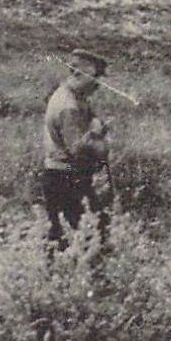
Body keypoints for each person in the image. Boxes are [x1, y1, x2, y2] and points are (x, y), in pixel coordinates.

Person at [41, 49, 112, 250]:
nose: (99, 85)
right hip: (66, 179)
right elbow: (78, 149)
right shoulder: (69, 106)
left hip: (66, 176)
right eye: (96, 78)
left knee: (79, 236)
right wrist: (98, 137)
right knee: (84, 238)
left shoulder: (73, 96)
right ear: (81, 74)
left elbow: (90, 117)